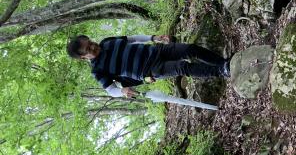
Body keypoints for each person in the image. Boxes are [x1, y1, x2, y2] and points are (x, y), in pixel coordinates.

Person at [66, 34, 230, 98]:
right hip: (150, 70)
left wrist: (152, 38)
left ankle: (223, 63)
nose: (93, 46)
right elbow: (110, 90)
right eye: (88, 49)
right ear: (83, 57)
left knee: (190, 49)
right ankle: (221, 71)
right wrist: (122, 91)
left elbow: (131, 39)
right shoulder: (97, 70)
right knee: (183, 67)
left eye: (91, 42)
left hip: (156, 50)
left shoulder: (107, 41)